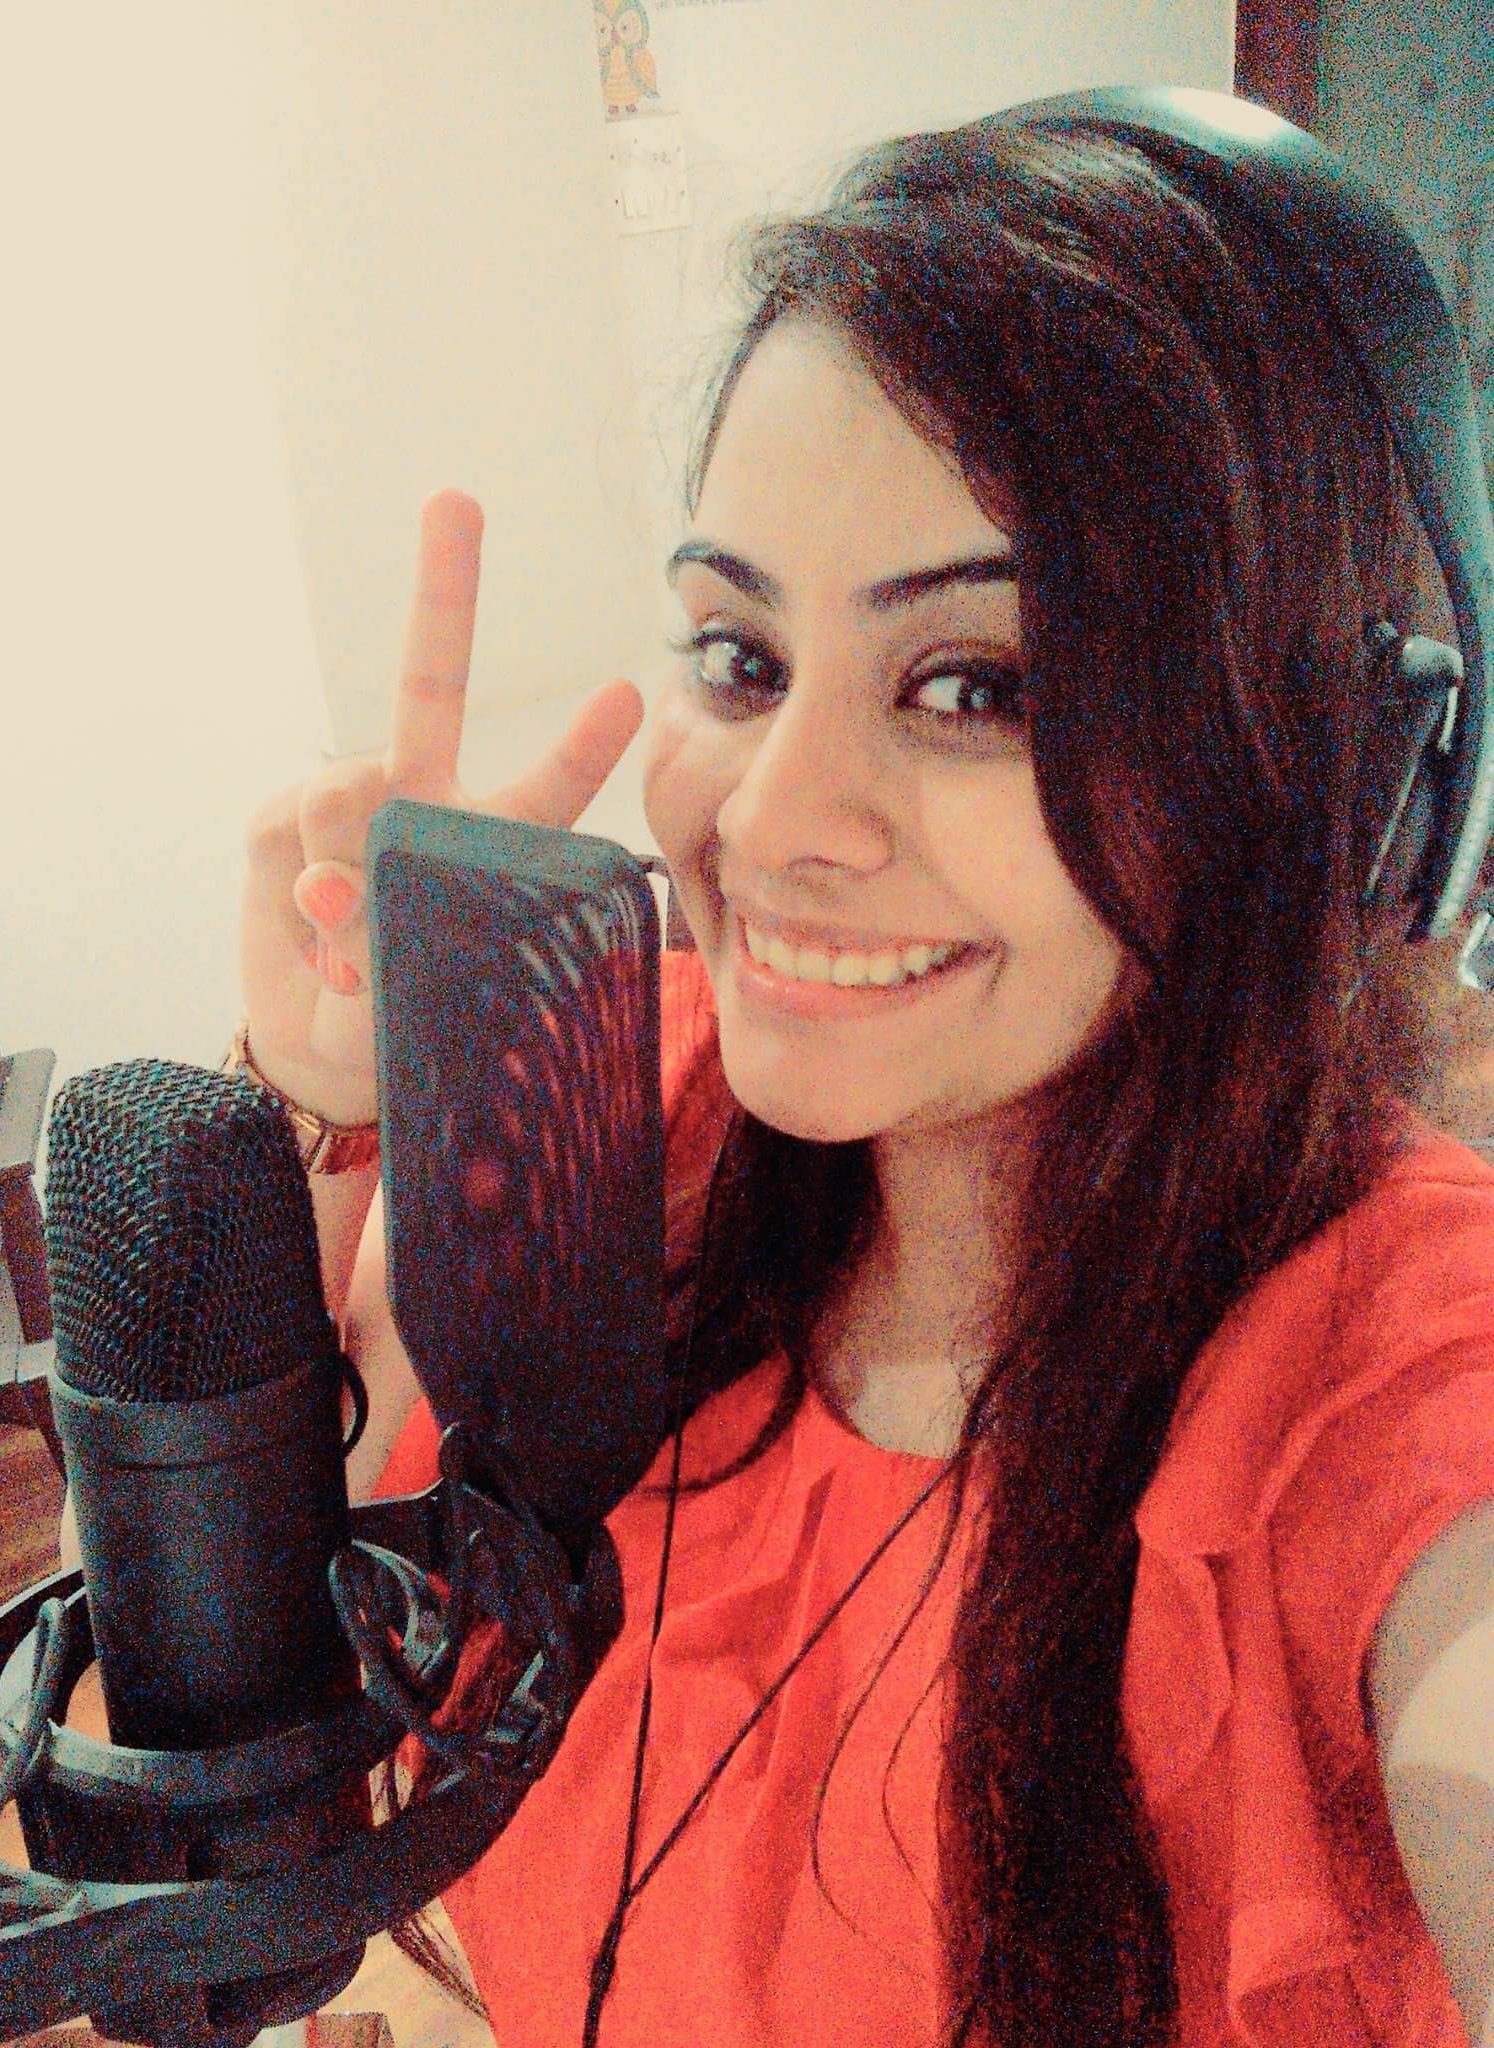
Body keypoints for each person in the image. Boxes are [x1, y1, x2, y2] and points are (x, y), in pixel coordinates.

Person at [230, 99, 1494, 2048]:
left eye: (976, 685)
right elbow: (221, 1685)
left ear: (1338, 785)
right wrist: (317, 1097)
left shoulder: (1401, 1382)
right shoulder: (617, 1107)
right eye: (740, 656)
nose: (765, 817)